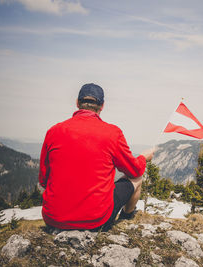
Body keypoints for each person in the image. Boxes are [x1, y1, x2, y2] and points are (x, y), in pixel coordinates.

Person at [38, 83, 154, 231]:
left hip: (53, 220)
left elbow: (43, 180)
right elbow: (135, 170)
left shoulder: (53, 131)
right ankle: (127, 217)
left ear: (77, 103)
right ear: (102, 105)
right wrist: (143, 157)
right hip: (96, 222)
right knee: (137, 178)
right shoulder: (112, 133)